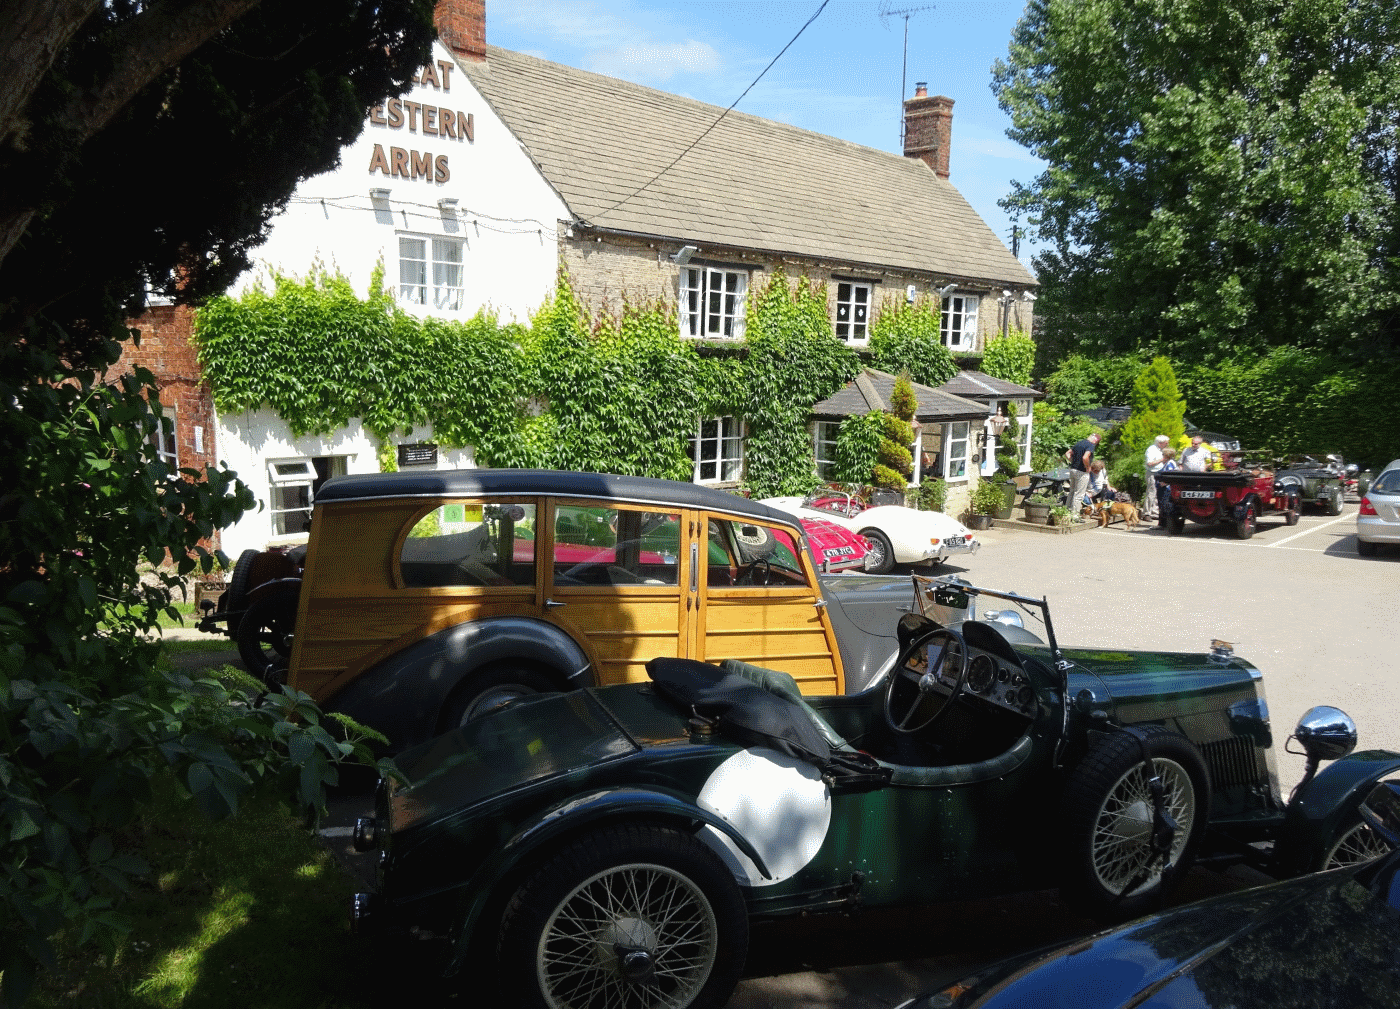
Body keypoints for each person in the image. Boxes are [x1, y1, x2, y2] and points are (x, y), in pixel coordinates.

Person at [1066, 432, 1100, 513]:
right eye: (1097, 443)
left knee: (1071, 492)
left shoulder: (1080, 442)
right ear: (1096, 440)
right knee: (1079, 495)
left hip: (1073, 470)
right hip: (1082, 472)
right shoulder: (1090, 445)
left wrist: (1073, 462)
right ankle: (1075, 515)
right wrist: (1087, 467)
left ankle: (1066, 511)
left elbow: (1067, 453)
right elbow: (1085, 457)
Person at [1143, 434, 1169, 520]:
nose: (1167, 444)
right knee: (1151, 492)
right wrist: (1162, 459)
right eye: (1166, 443)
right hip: (1152, 473)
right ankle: (1146, 513)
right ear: (1160, 443)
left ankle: (1155, 513)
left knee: (1158, 492)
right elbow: (1149, 463)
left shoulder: (1162, 449)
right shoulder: (1151, 450)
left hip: (1160, 473)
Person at [1156, 447, 1179, 526]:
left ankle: (1162, 524)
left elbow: (1171, 475)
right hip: (1164, 487)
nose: (1162, 456)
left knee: (1163, 505)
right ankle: (1162, 523)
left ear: (1166, 455)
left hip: (1166, 489)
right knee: (1162, 505)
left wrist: (1165, 483)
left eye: (1163, 454)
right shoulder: (1168, 463)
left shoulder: (1170, 463)